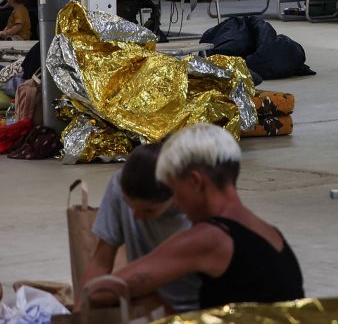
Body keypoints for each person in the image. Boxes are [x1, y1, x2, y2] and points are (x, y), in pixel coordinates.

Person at [97, 124, 304, 309]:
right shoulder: (269, 232)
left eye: (176, 191)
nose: (177, 203)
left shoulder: (208, 238)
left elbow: (102, 291)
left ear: (196, 182)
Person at [82, 143, 200, 313]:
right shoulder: (119, 184)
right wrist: (79, 314)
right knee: (97, 293)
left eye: (148, 210)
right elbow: (101, 260)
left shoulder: (198, 211)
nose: (136, 216)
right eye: (130, 206)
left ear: (176, 195)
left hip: (198, 309)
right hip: (146, 299)